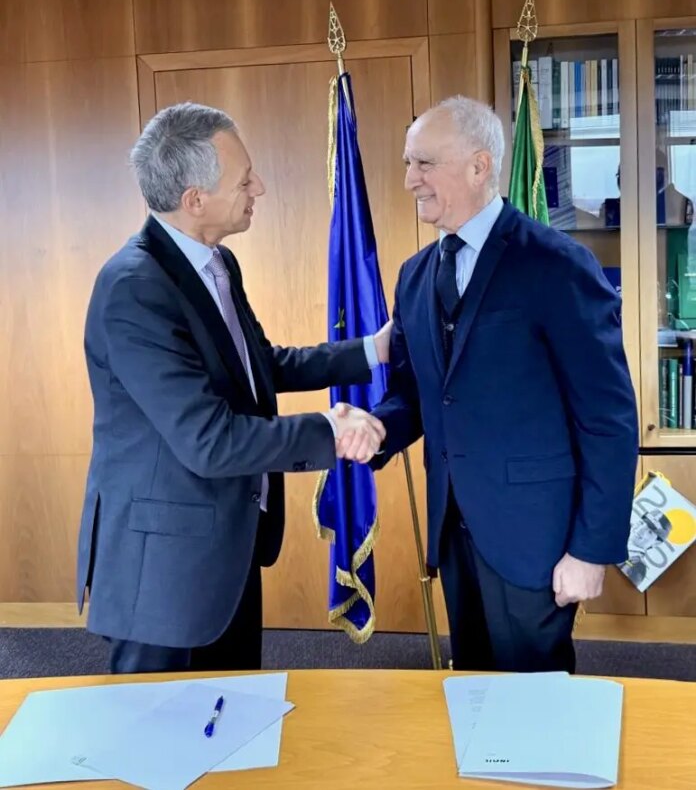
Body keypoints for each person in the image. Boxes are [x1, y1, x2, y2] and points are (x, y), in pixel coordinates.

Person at [76, 102, 390, 674]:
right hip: (164, 567)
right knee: (158, 723)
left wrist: (371, 350)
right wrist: (329, 430)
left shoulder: (216, 263)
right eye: (244, 180)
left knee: (232, 709)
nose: (259, 188)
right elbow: (208, 439)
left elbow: (257, 368)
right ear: (194, 199)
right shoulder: (134, 289)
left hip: (228, 537)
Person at [341, 96, 639, 672]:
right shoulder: (413, 275)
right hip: (453, 535)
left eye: (424, 164)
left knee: (536, 703)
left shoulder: (557, 264)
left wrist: (590, 550)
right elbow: (417, 394)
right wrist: (377, 427)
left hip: (537, 539)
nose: (409, 180)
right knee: (474, 690)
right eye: (407, 163)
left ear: (479, 166)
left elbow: (608, 419)